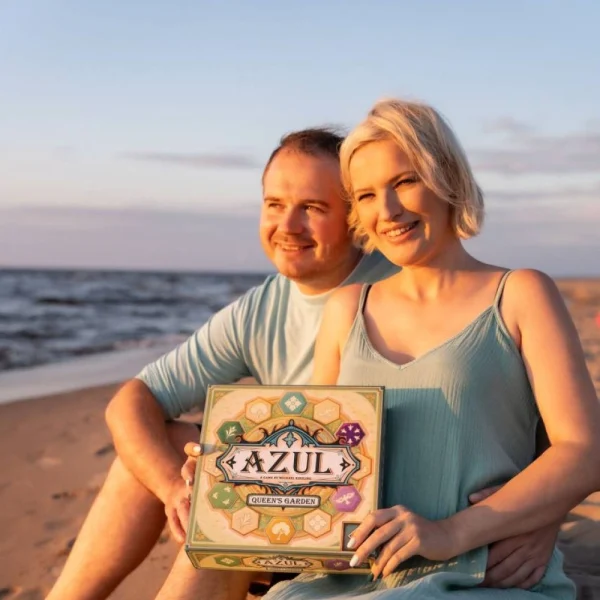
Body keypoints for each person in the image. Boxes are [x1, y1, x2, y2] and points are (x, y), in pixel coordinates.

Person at [47, 126, 562, 600]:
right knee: (174, 467)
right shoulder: (262, 307)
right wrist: (176, 490)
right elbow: (132, 401)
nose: (288, 226)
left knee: (222, 505)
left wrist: (541, 518)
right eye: (275, 204)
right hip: (304, 507)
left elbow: (526, 420)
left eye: (313, 207)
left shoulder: (414, 275)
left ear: (354, 218)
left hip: (389, 520)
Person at [256, 99, 600, 599]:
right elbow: (315, 460)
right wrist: (230, 468)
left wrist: (450, 534)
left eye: (405, 182)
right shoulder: (346, 308)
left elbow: (584, 452)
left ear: (447, 179)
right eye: (367, 195)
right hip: (352, 575)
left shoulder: (521, 294)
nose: (388, 210)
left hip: (484, 572)